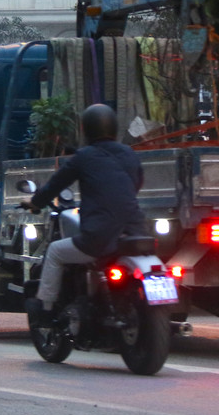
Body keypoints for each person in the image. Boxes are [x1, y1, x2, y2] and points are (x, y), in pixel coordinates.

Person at [22, 104, 146, 319]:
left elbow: (55, 186)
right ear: (114, 127)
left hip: (100, 237)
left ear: (86, 129)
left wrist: (35, 202)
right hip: (136, 232)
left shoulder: (84, 156)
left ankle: (46, 308)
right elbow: (136, 183)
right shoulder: (129, 154)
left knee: (55, 251)